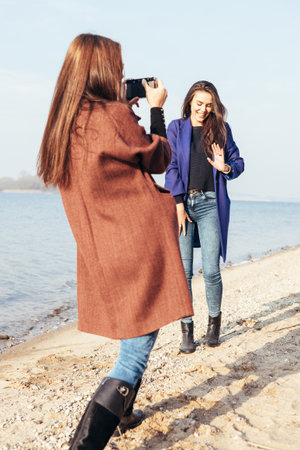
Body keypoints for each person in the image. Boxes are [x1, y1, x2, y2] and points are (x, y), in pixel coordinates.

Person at [37, 33, 193, 449]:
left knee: (134, 328)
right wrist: (155, 111)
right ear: (102, 69)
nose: (123, 73)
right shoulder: (110, 116)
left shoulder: (68, 121)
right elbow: (160, 157)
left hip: (103, 249)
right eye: (117, 66)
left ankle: (123, 415)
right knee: (135, 353)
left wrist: (125, 109)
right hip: (137, 244)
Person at [165, 81, 244, 353]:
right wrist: (177, 204)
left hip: (211, 204)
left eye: (208, 105)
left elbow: (238, 162)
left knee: (210, 271)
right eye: (199, 104)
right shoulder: (176, 128)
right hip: (182, 205)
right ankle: (186, 331)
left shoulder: (221, 129)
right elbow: (171, 167)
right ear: (189, 102)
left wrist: (226, 167)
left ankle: (214, 325)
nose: (203, 109)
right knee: (183, 273)